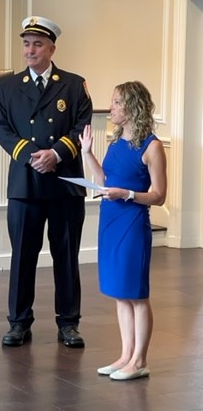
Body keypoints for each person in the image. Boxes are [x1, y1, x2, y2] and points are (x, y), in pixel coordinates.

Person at [0, 16, 93, 347]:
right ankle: (19, 322)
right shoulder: (8, 87)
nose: (30, 50)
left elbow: (82, 127)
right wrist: (33, 155)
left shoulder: (74, 85)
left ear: (52, 48)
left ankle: (68, 322)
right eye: (26, 43)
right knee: (22, 256)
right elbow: (3, 129)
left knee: (66, 255)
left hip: (64, 182)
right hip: (25, 182)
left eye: (37, 44)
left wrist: (57, 153)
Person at [79, 81, 167, 380]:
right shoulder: (116, 142)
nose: (112, 107)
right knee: (120, 294)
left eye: (116, 102)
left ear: (131, 107)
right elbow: (106, 180)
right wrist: (88, 153)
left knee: (136, 294)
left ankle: (140, 361)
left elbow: (159, 195)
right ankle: (125, 355)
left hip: (132, 223)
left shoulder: (152, 146)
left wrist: (127, 194)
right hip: (110, 221)